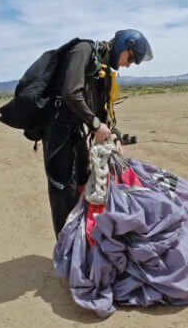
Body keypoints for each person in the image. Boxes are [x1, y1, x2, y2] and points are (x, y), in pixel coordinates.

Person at [43, 29, 152, 237]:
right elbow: (70, 92)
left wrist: (115, 135)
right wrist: (94, 124)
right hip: (57, 135)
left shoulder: (103, 71)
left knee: (84, 185)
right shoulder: (83, 50)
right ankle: (67, 253)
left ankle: (81, 244)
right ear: (122, 46)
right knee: (64, 194)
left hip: (76, 133)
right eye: (129, 58)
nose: (127, 64)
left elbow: (103, 113)